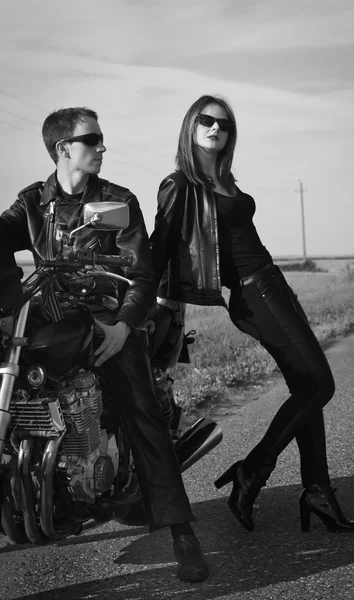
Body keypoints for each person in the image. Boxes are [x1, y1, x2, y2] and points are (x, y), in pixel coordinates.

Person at [0, 107, 209, 582]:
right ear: (62, 149)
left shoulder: (117, 201)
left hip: (106, 323)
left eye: (99, 139)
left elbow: (141, 272)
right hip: (47, 320)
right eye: (91, 139)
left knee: (140, 410)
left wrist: (124, 325)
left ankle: (181, 532)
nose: (101, 147)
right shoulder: (33, 203)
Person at [149, 94, 354, 535]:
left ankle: (318, 491)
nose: (215, 129)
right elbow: (160, 249)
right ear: (191, 126)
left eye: (223, 125)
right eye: (206, 121)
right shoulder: (180, 186)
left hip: (274, 284)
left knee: (307, 387)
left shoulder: (226, 180)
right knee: (321, 384)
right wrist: (142, 304)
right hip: (252, 292)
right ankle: (253, 472)